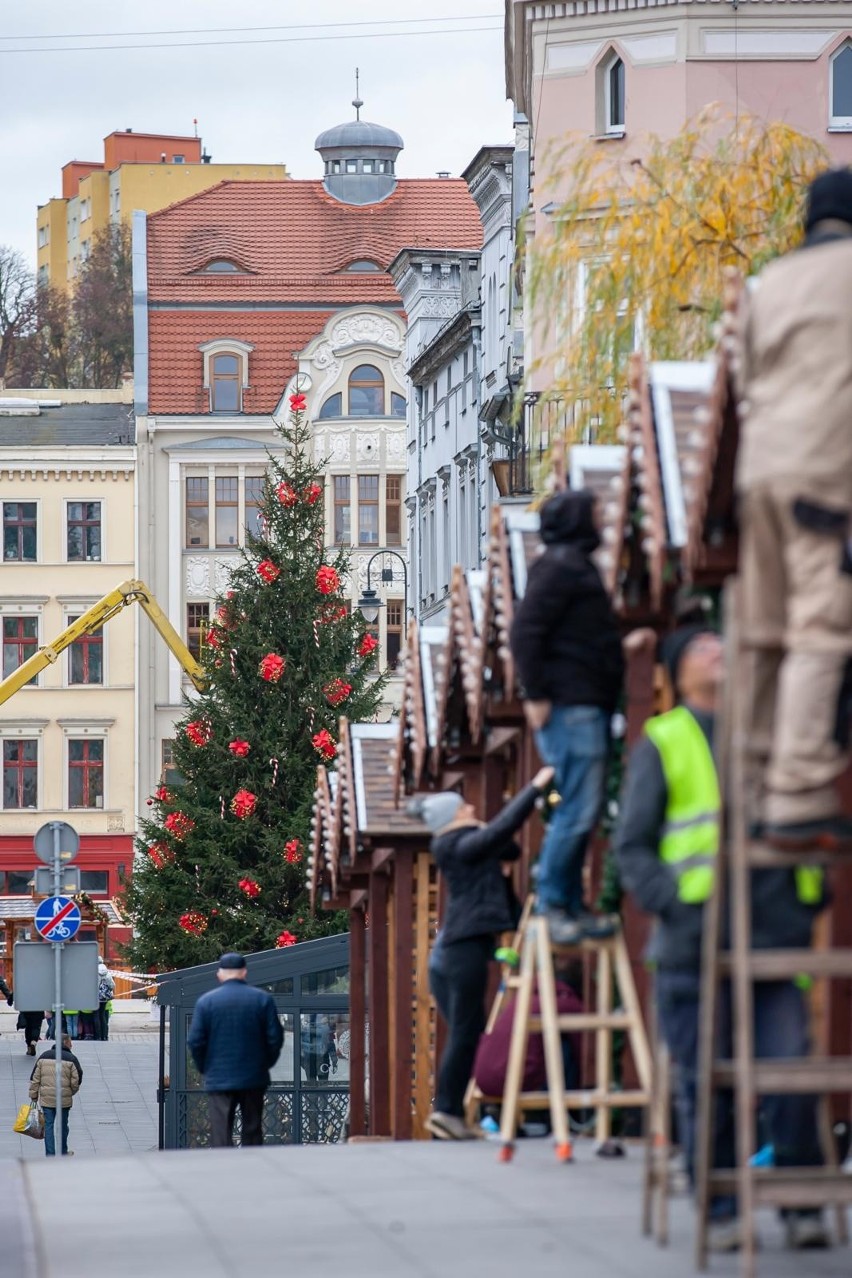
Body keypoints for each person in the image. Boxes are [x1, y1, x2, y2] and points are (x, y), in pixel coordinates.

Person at [615, 624, 830, 1251]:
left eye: (722, 644)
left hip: (771, 936)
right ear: (681, 673)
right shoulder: (668, 739)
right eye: (705, 647)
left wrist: (812, 892)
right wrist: (676, 907)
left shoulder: (765, 735)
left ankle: (800, 1204)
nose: (720, 652)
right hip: (694, 946)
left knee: (790, 1069)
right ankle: (724, 1206)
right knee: (707, 1080)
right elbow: (634, 845)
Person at [737, 168, 852, 850]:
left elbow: (745, 373)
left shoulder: (771, 281)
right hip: (825, 475)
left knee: (761, 631)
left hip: (761, 473)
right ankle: (797, 789)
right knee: (822, 626)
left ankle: (748, 788)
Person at [410, 766, 555, 1141]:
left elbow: (508, 847)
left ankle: (455, 1113)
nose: (472, 806)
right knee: (464, 1031)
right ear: (453, 818)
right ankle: (446, 1110)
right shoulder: (452, 846)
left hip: (459, 951)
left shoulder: (467, 847)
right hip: (460, 951)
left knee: (470, 1031)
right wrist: (535, 788)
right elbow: (501, 832)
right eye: (464, 807)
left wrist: (486, 835)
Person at [510, 487, 625, 942]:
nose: (601, 518)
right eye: (595, 511)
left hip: (584, 704)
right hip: (571, 705)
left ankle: (571, 906)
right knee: (578, 808)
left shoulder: (568, 565)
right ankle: (556, 903)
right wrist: (536, 694)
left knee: (583, 807)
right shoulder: (560, 566)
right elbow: (525, 631)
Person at [188, 952, 284, 1148]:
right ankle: (251, 1168)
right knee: (252, 1128)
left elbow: (195, 1041)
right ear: (244, 972)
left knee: (221, 1132)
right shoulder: (262, 999)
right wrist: (265, 1063)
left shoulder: (206, 1002)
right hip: (254, 1076)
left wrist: (206, 1068)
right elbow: (275, 1038)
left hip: (219, 1076)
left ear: (220, 974)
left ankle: (224, 1171)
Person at [28, 1034, 83, 1157]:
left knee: (48, 1125)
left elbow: (34, 1078)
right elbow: (76, 1080)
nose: (71, 1045)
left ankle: (50, 1154)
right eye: (70, 1042)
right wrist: (71, 1092)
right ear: (65, 1043)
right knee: (63, 1126)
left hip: (47, 1099)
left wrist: (34, 1095)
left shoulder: (43, 1057)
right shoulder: (71, 1059)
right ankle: (63, 1151)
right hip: (64, 1099)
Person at [96, 958, 115, 1041]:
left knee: (96, 1016)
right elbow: (112, 985)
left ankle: (98, 1035)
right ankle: (105, 1036)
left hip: (95, 997)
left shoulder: (94, 971)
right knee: (103, 1015)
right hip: (105, 998)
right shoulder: (107, 973)